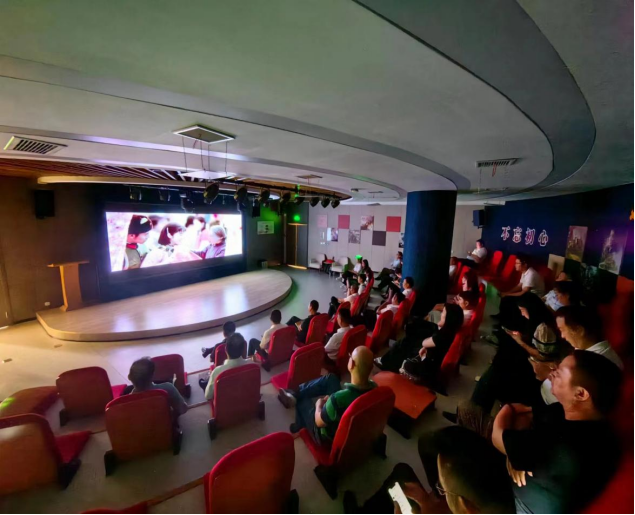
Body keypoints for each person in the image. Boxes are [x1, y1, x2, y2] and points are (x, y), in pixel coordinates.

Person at [420, 351, 622, 514]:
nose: (552, 372)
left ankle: (440, 497)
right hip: (525, 468)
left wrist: (508, 423)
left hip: (516, 503)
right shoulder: (578, 416)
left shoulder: (564, 445)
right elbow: (522, 415)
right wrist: (513, 451)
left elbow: (502, 430)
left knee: (436, 444)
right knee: (465, 413)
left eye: (560, 372)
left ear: (581, 393)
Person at [277, 346, 376, 444]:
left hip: (324, 435)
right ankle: (294, 394)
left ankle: (298, 424)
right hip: (344, 409)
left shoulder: (337, 398)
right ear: (371, 367)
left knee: (302, 399)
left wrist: (319, 404)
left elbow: (318, 422)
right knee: (331, 378)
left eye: (350, 356)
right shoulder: (374, 388)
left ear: (352, 364)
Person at [539, 306, 624, 405]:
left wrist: (551, 377)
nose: (562, 336)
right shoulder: (588, 350)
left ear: (579, 330)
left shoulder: (596, 364)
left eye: (562, 330)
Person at [399, 303, 464, 386]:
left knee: (405, 352)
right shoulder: (451, 332)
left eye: (443, 313)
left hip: (430, 369)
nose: (441, 314)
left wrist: (425, 346)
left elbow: (424, 343)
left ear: (448, 318)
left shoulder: (443, 335)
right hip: (433, 361)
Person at [492, 256, 545, 324]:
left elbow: (523, 293)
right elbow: (519, 286)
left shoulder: (531, 274)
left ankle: (507, 322)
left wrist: (507, 294)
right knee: (506, 298)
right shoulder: (525, 272)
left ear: (525, 264)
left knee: (509, 300)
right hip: (528, 294)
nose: (515, 265)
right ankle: (501, 317)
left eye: (517, 263)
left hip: (535, 297)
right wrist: (507, 292)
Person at [204, 333, 251, 401]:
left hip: (225, 405)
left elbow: (208, 396)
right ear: (244, 349)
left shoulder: (217, 371)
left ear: (225, 350)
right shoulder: (252, 364)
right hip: (245, 400)